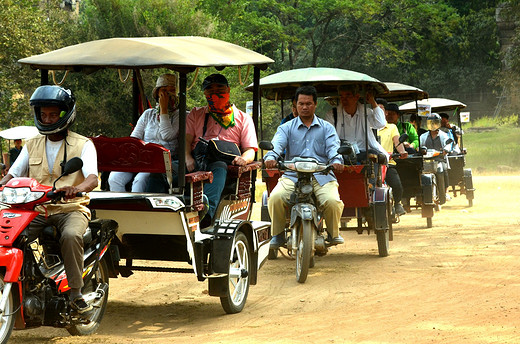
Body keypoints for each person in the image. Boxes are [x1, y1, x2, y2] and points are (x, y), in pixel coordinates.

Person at [0, 85, 98, 314]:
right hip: (37, 208)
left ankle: (76, 293)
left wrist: (77, 189)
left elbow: (92, 178)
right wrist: (2, 183)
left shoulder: (83, 144)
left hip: (71, 208)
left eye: (53, 114)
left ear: (65, 114)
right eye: (43, 114)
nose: (47, 119)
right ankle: (25, 281)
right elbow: (12, 174)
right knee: (8, 235)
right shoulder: (31, 143)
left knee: (71, 235)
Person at [265, 86, 345, 247]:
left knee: (332, 201)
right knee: (274, 198)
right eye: (301, 103)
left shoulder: (327, 128)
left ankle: (333, 233)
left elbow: (334, 149)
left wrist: (337, 161)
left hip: (321, 176)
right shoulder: (285, 128)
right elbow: (276, 146)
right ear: (295, 105)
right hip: (292, 175)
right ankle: (278, 234)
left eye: (308, 103)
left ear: (315, 104)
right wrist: (271, 157)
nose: (304, 107)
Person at [185, 73, 258, 219]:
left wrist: (243, 159)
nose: (215, 93)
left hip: (220, 163)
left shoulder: (243, 118)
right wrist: (187, 157)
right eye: (210, 90)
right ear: (205, 93)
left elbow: (250, 150)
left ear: (228, 90)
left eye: (220, 88)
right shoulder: (196, 114)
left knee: (219, 168)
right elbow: (186, 141)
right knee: (165, 171)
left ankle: (206, 213)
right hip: (195, 159)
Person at [108, 73, 180, 192]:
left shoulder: (181, 115)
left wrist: (164, 111)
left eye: (171, 90)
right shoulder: (148, 114)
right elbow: (134, 139)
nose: (167, 94)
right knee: (115, 177)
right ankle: (121, 208)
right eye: (163, 91)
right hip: (140, 158)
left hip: (163, 161)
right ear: (157, 93)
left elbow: (167, 135)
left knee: (140, 180)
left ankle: (137, 209)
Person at [324, 84, 388, 163]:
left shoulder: (365, 112)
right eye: (342, 96)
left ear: (356, 97)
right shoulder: (332, 115)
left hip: (363, 152)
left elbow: (380, 123)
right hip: (341, 154)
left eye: (348, 96)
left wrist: (373, 102)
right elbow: (329, 138)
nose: (344, 100)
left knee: (377, 157)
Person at [377, 99, 408, 216]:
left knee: (397, 185)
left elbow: (397, 142)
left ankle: (397, 203)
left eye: (381, 109)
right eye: (375, 110)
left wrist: (402, 151)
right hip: (371, 164)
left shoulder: (391, 127)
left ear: (386, 112)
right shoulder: (367, 128)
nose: (378, 112)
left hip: (388, 163)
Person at [419, 113, 451, 204]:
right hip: (427, 161)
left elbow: (448, 144)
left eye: (435, 122)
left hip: (440, 159)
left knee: (443, 170)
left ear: (439, 123)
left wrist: (446, 150)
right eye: (431, 122)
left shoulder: (444, 135)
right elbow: (420, 146)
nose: (433, 124)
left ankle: (444, 192)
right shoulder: (423, 136)